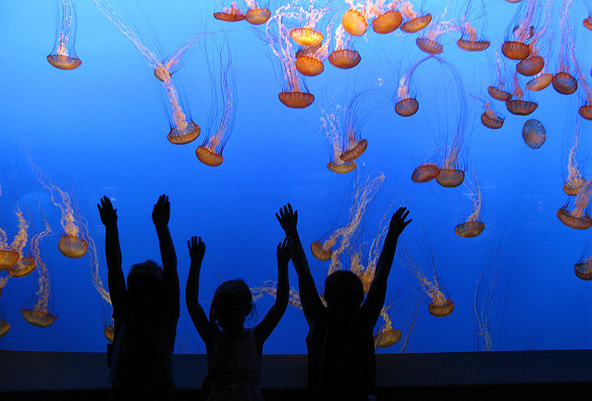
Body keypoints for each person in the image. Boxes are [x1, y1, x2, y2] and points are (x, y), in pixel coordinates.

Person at [276, 203, 411, 401]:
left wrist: (291, 232)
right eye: (341, 297)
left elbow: (304, 275)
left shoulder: (319, 319)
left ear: (326, 297)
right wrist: (392, 235)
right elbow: (380, 278)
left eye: (345, 297)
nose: (343, 304)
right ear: (361, 298)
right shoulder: (364, 320)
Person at [185, 235, 293, 400]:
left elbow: (280, 305)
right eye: (224, 311)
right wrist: (283, 263)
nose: (229, 316)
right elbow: (280, 305)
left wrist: (283, 263)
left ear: (247, 310)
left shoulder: (250, 338)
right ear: (216, 313)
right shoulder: (217, 338)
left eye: (233, 311)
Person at [97, 195, 179, 401]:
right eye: (136, 289)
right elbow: (114, 268)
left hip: (145, 392)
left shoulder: (162, 314)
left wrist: (111, 227)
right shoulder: (128, 311)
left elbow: (115, 268)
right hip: (135, 391)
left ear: (159, 293)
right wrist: (161, 226)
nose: (141, 295)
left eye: (146, 289)